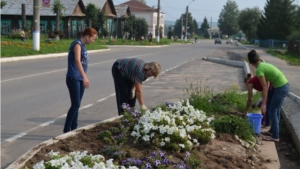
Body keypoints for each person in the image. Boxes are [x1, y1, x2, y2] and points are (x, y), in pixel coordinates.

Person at [247, 50, 289, 142]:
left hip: (281, 88)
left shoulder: (259, 70)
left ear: (250, 62)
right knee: (276, 110)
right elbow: (267, 85)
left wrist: (263, 104)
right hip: (283, 86)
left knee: (272, 111)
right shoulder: (263, 65)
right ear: (258, 58)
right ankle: (272, 131)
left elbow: (265, 87)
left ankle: (275, 136)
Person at [63, 27, 98, 133]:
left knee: (77, 105)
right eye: (93, 38)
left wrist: (83, 77)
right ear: (87, 36)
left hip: (79, 79)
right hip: (73, 78)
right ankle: (66, 130)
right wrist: (85, 77)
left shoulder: (83, 46)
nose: (93, 41)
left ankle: (74, 129)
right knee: (75, 104)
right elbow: (77, 61)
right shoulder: (77, 44)